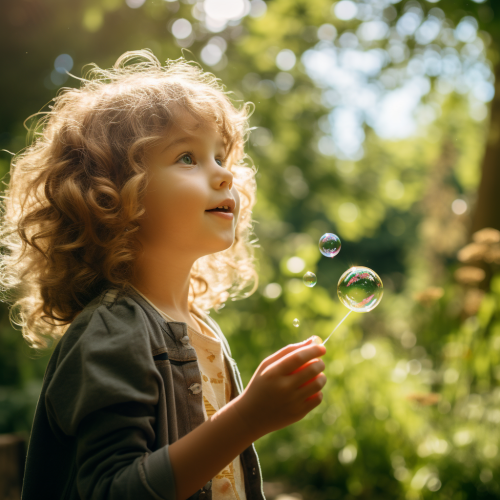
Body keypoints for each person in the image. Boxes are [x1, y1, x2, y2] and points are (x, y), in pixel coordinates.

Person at [2, 49, 327, 500]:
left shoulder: (199, 328)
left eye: (220, 155)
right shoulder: (113, 333)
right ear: (112, 197)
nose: (223, 175)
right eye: (188, 158)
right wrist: (249, 417)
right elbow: (112, 491)